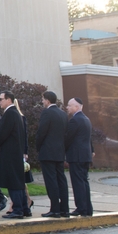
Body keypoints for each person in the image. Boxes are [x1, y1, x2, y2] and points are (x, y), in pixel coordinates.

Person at [0, 91, 29, 219]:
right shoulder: (16, 114)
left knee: (13, 182)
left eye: (1, 99)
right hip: (15, 152)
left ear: (8, 100)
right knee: (18, 182)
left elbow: (2, 134)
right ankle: (24, 208)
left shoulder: (9, 114)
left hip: (9, 153)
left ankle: (17, 210)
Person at [36, 90, 69, 218]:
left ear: (48, 100)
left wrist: (38, 147)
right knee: (61, 179)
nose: (42, 102)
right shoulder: (63, 114)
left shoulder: (47, 113)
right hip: (59, 152)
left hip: (48, 152)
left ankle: (55, 209)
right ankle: (64, 209)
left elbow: (41, 132)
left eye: (43, 99)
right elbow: (65, 133)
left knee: (51, 181)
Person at [65, 97, 94, 217]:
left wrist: (62, 150)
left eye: (69, 105)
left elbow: (68, 138)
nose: (67, 107)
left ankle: (81, 208)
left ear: (76, 107)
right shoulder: (86, 119)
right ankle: (87, 208)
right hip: (85, 156)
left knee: (78, 183)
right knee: (84, 182)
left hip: (76, 156)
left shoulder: (75, 120)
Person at [6, 99, 34, 213]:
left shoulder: (20, 118)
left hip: (18, 153)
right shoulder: (13, 117)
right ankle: (24, 202)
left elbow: (24, 136)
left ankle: (17, 204)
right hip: (16, 152)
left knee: (18, 181)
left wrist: (25, 151)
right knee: (20, 181)